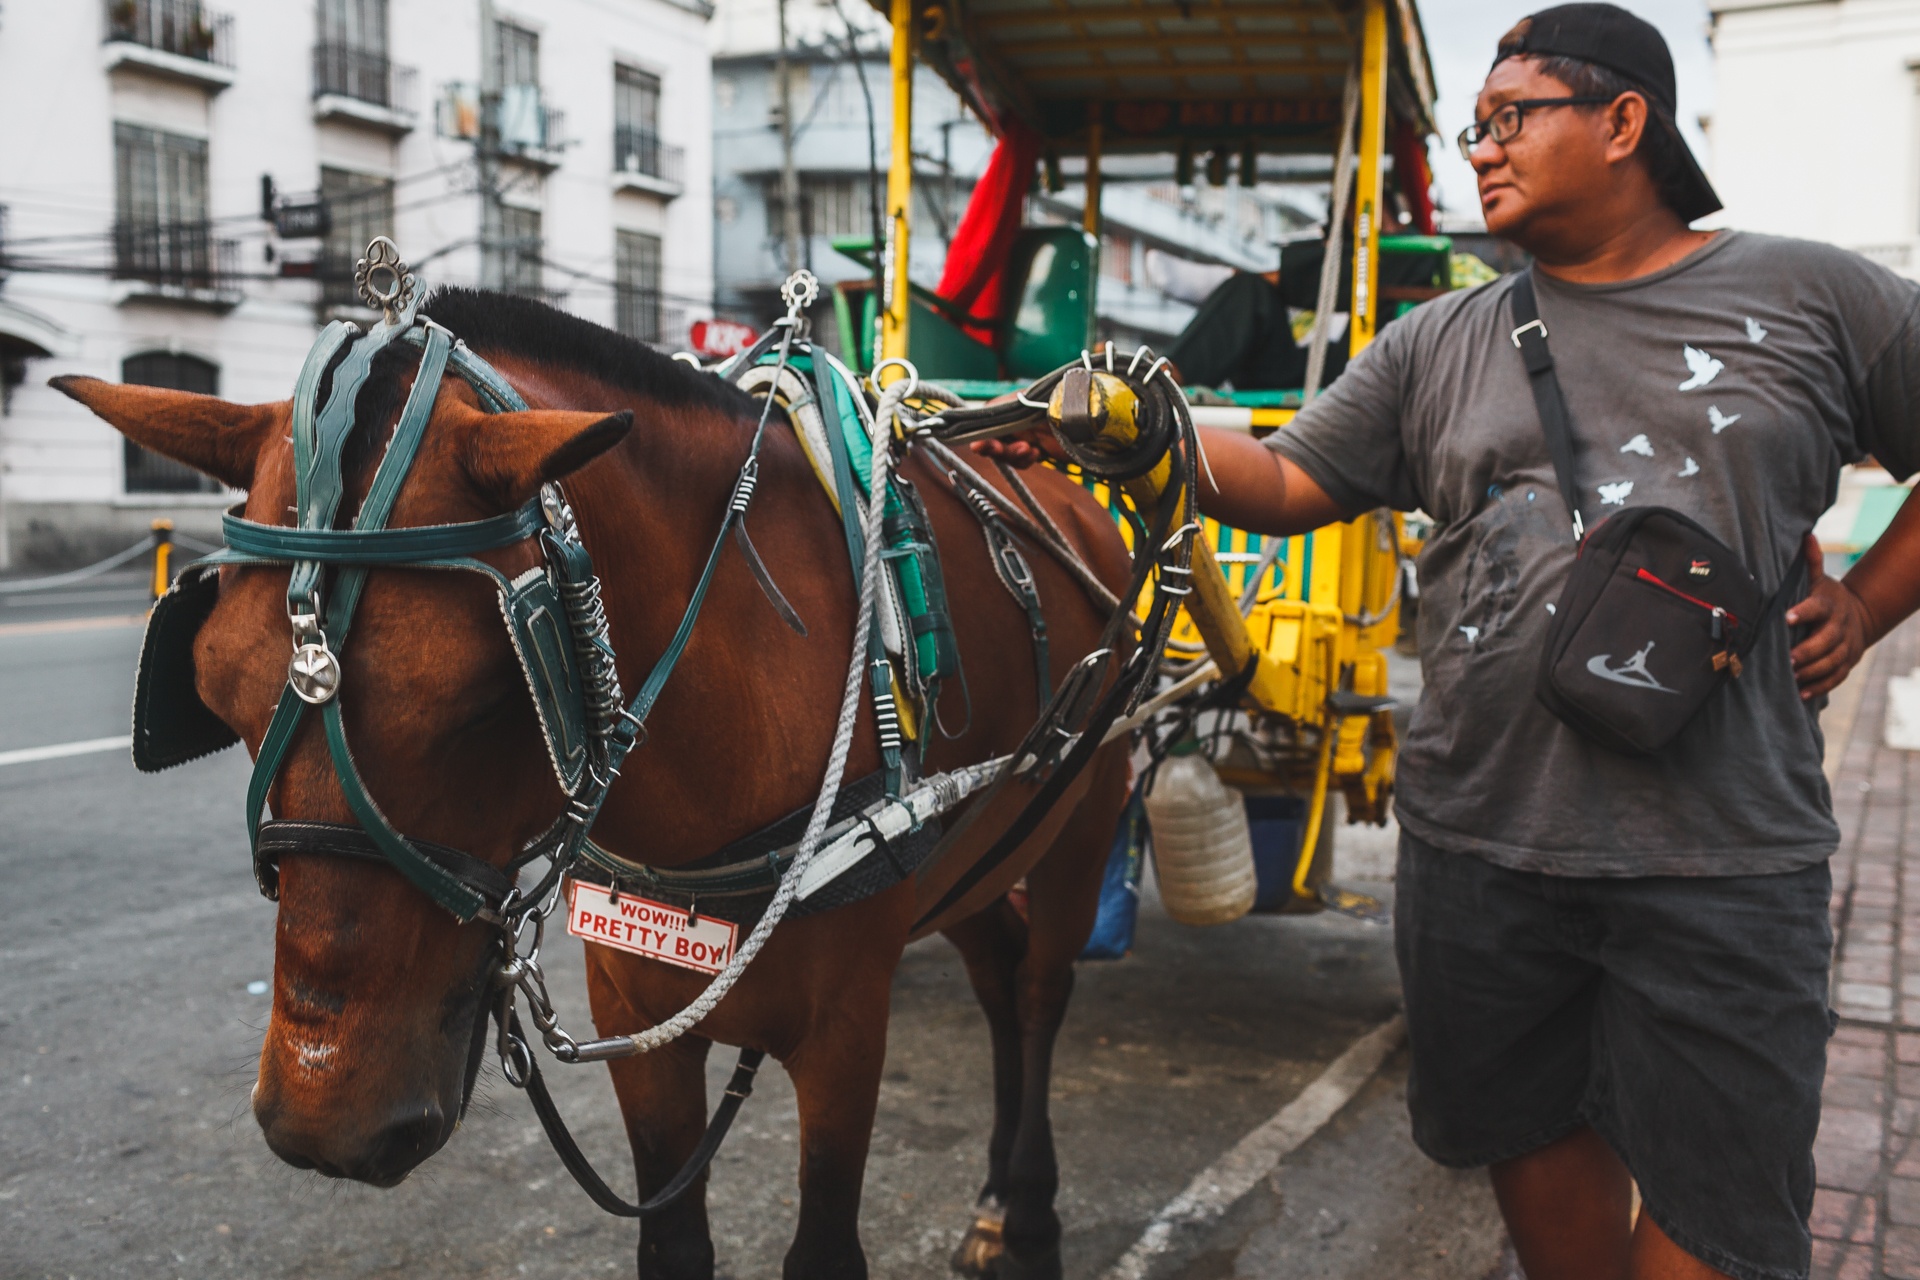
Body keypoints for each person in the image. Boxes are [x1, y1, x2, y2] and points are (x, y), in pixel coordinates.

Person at [985, 6, 1920, 1278]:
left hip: (1724, 860)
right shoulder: (1442, 338)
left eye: (1510, 117)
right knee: (1537, 1165)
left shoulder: (1813, 294)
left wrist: (1866, 601)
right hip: (1481, 850)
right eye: (1475, 127)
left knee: (1726, 1219)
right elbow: (1285, 477)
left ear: (1623, 122)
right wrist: (1131, 430)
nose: (1480, 148)